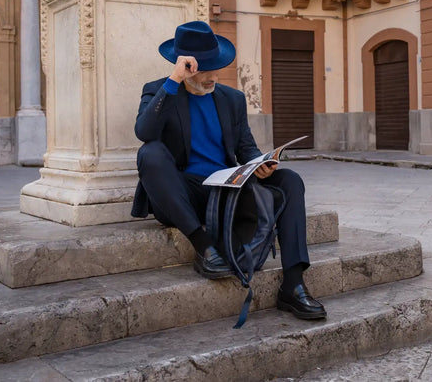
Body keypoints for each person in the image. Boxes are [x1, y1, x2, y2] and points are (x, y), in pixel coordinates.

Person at [133, 20, 326, 320]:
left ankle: (294, 283)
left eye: (217, 66)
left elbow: (245, 147)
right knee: (150, 152)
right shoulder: (160, 90)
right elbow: (144, 131)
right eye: (205, 68)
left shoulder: (231, 99)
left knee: (289, 180)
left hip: (224, 193)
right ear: (185, 65)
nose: (214, 75)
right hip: (181, 195)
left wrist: (260, 162)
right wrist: (173, 81)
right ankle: (204, 246)